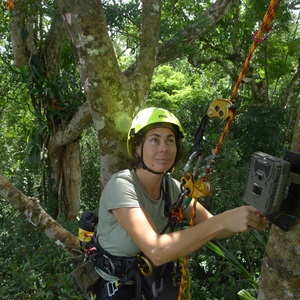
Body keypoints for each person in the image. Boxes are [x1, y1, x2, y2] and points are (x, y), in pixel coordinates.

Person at [93, 107, 269, 300]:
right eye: (154, 140)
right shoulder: (121, 186)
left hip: (156, 279)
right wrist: (223, 221)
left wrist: (248, 217)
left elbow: (215, 226)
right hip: (119, 285)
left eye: (170, 140)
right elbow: (157, 251)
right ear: (137, 148)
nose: (164, 148)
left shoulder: (173, 188)